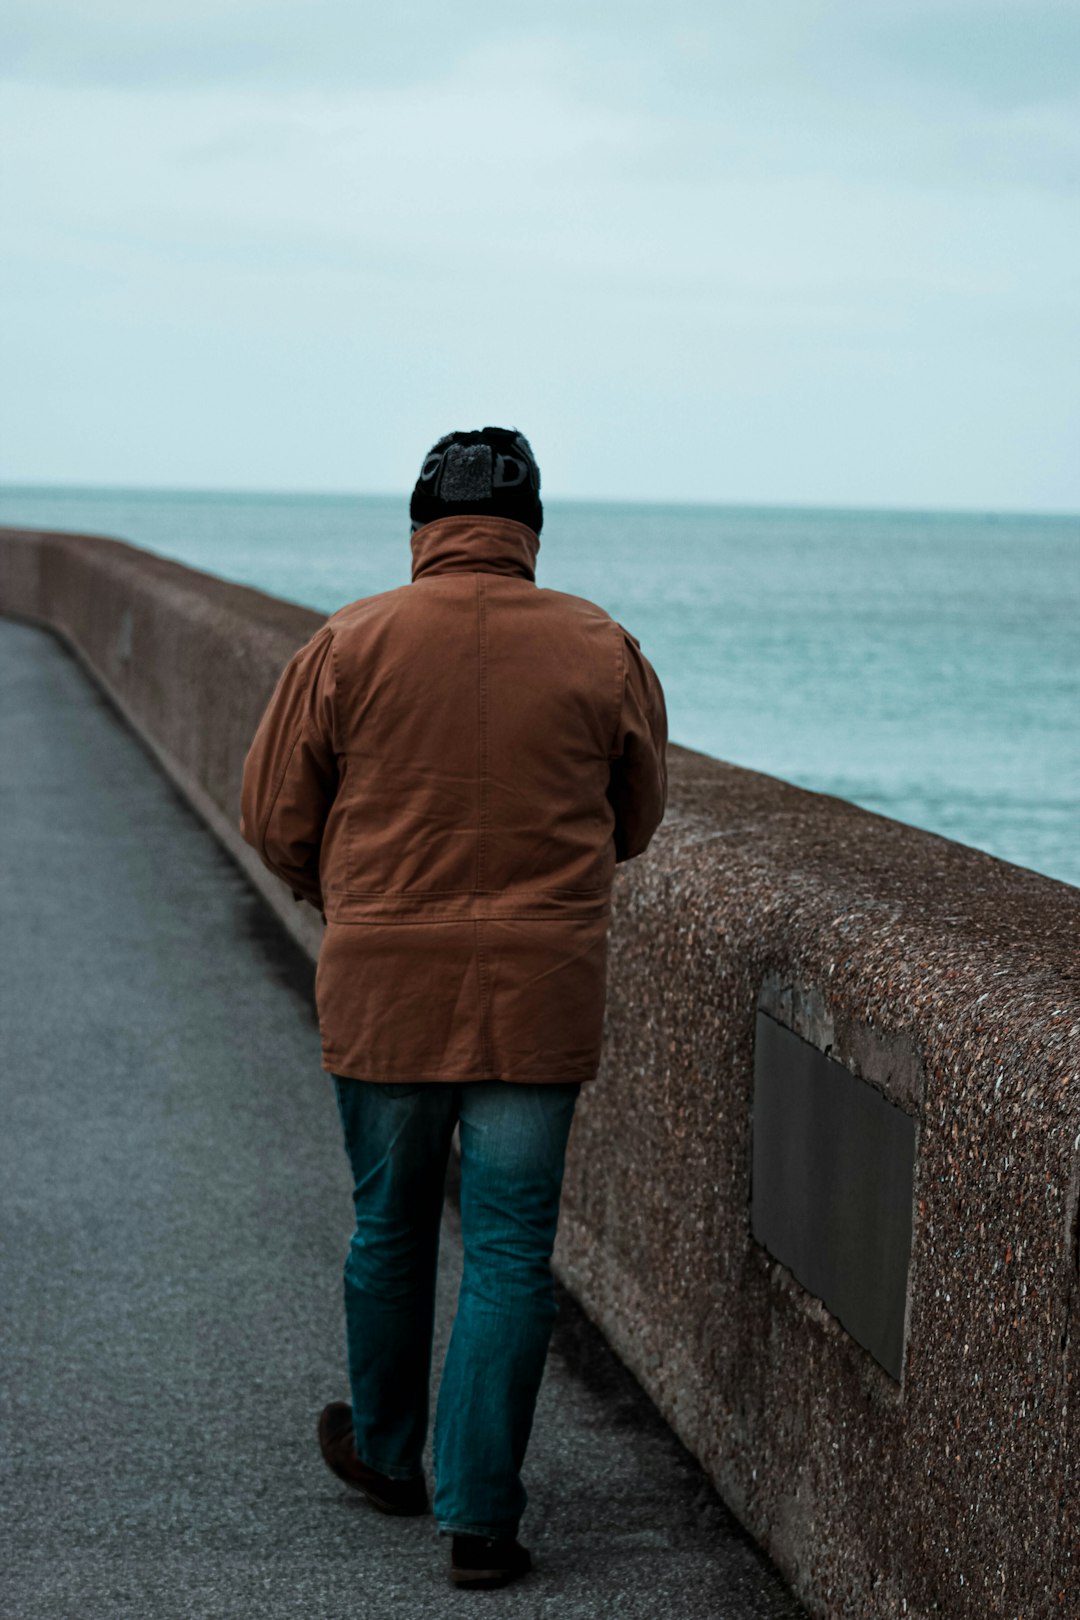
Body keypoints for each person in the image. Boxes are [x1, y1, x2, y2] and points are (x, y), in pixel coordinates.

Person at [238, 426, 668, 1589]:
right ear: (530, 532)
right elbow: (636, 819)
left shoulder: (351, 639)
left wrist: (354, 898)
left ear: (422, 526)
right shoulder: (600, 646)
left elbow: (277, 814)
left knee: (390, 1225)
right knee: (513, 1250)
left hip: (383, 984)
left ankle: (388, 1455)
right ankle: (480, 1520)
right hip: (537, 991)